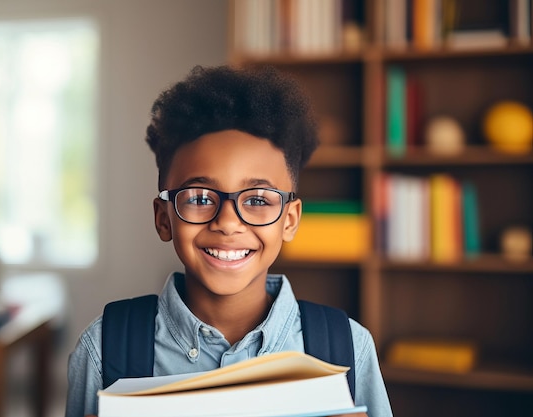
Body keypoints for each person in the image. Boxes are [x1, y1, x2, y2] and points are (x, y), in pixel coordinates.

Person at [65, 65, 392, 417]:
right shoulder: (103, 348)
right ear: (164, 218)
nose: (227, 222)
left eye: (257, 200)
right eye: (200, 198)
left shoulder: (349, 349)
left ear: (290, 221)